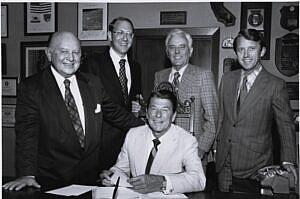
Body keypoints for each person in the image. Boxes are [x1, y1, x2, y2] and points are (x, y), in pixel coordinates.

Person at [3, 31, 144, 191]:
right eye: (64, 51)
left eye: (76, 52)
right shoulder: (32, 88)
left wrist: (149, 127)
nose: (71, 58)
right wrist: (27, 174)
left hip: (90, 180)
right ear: (49, 54)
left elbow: (116, 114)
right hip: (51, 182)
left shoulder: (93, 83)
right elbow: (27, 135)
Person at [216, 29, 297, 192]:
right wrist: (215, 147)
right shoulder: (227, 79)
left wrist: (288, 160)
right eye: (241, 49)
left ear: (262, 51)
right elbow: (221, 117)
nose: (246, 54)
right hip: (224, 164)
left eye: (252, 48)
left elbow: (285, 126)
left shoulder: (275, 85)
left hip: (256, 167)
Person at [100, 90, 206, 194]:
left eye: (165, 110)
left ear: (173, 116)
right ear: (147, 113)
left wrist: (162, 182)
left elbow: (199, 180)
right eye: (153, 109)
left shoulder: (186, 141)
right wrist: (111, 175)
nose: (158, 115)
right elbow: (121, 169)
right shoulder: (133, 134)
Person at [80, 17, 142, 171]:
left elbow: (132, 100)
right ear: (110, 35)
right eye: (120, 32)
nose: (125, 38)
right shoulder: (93, 63)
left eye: (129, 34)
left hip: (129, 144)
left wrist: (137, 106)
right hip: (101, 145)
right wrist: (142, 126)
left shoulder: (136, 67)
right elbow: (96, 103)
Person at [154, 28, 218, 171]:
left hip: (192, 155)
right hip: (163, 154)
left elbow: (213, 121)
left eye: (182, 47)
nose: (177, 52)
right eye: (172, 47)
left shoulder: (203, 76)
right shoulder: (160, 76)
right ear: (167, 52)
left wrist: (199, 151)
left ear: (190, 51)